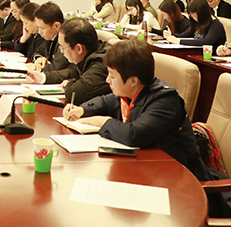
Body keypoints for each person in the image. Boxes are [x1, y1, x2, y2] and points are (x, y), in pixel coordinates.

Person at [63, 38, 210, 181]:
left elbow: (133, 134)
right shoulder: (130, 92)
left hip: (179, 178)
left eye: (112, 76)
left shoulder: (165, 100)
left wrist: (103, 122)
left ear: (133, 80)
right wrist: (81, 110)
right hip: (146, 169)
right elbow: (104, 101)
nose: (107, 80)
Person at [27, 18, 110, 103]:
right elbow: (71, 72)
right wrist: (43, 77)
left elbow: (76, 93)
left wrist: (69, 83)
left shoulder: (102, 62)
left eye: (63, 47)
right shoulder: (89, 55)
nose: (61, 51)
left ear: (79, 48)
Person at [32, 1, 65, 69]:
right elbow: (38, 52)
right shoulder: (50, 36)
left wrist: (42, 66)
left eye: (42, 28)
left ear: (56, 26)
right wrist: (39, 59)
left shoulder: (66, 39)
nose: (39, 32)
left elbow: (57, 67)